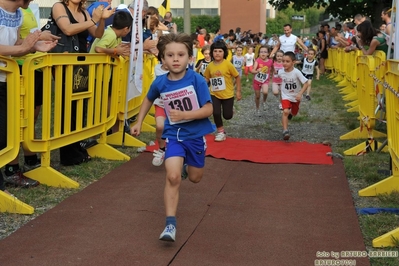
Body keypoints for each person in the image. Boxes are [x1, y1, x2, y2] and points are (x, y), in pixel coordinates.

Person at [130, 33, 215, 242]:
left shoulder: (196, 80)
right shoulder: (160, 83)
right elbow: (148, 100)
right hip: (174, 136)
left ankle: (188, 168)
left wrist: (186, 115)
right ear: (163, 59)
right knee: (172, 177)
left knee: (195, 178)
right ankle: (170, 225)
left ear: (189, 58)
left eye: (180, 55)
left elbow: (208, 109)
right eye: (170, 55)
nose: (175, 59)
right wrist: (139, 122)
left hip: (195, 137)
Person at [1, 0, 57, 190]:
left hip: (7, 78)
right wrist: (22, 49)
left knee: (7, 132)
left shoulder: (16, 13)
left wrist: (34, 46)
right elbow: (16, 48)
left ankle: (9, 173)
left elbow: (14, 44)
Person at [51, 0, 115, 166]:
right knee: (67, 107)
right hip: (64, 63)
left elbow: (97, 34)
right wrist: (93, 19)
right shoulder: (59, 7)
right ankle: (67, 152)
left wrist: (101, 19)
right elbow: (67, 29)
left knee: (78, 107)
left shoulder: (85, 12)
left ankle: (76, 145)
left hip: (81, 64)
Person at [204, 40, 242, 142]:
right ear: (212, 52)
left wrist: (238, 91)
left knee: (227, 116)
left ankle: (230, 109)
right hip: (214, 93)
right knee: (216, 113)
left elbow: (237, 77)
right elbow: (206, 78)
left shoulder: (228, 64)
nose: (217, 53)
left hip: (227, 94)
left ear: (224, 53)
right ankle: (221, 132)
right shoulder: (210, 65)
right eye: (215, 51)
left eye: (220, 51)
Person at [278, 51, 310, 141]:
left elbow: (306, 83)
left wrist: (300, 93)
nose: (284, 63)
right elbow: (279, 81)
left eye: (287, 61)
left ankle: (291, 114)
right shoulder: (280, 72)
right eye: (283, 61)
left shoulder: (297, 72)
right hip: (285, 95)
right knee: (285, 111)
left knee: (294, 113)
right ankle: (285, 131)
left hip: (296, 96)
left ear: (293, 62)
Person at [250, 45, 273, 115]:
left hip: (265, 80)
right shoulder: (257, 61)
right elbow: (252, 71)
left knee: (265, 92)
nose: (263, 53)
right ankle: (257, 109)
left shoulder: (270, 61)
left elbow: (273, 68)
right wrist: (257, 71)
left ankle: (264, 101)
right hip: (256, 81)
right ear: (259, 53)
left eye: (265, 52)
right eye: (261, 52)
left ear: (268, 53)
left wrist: (273, 73)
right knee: (257, 96)